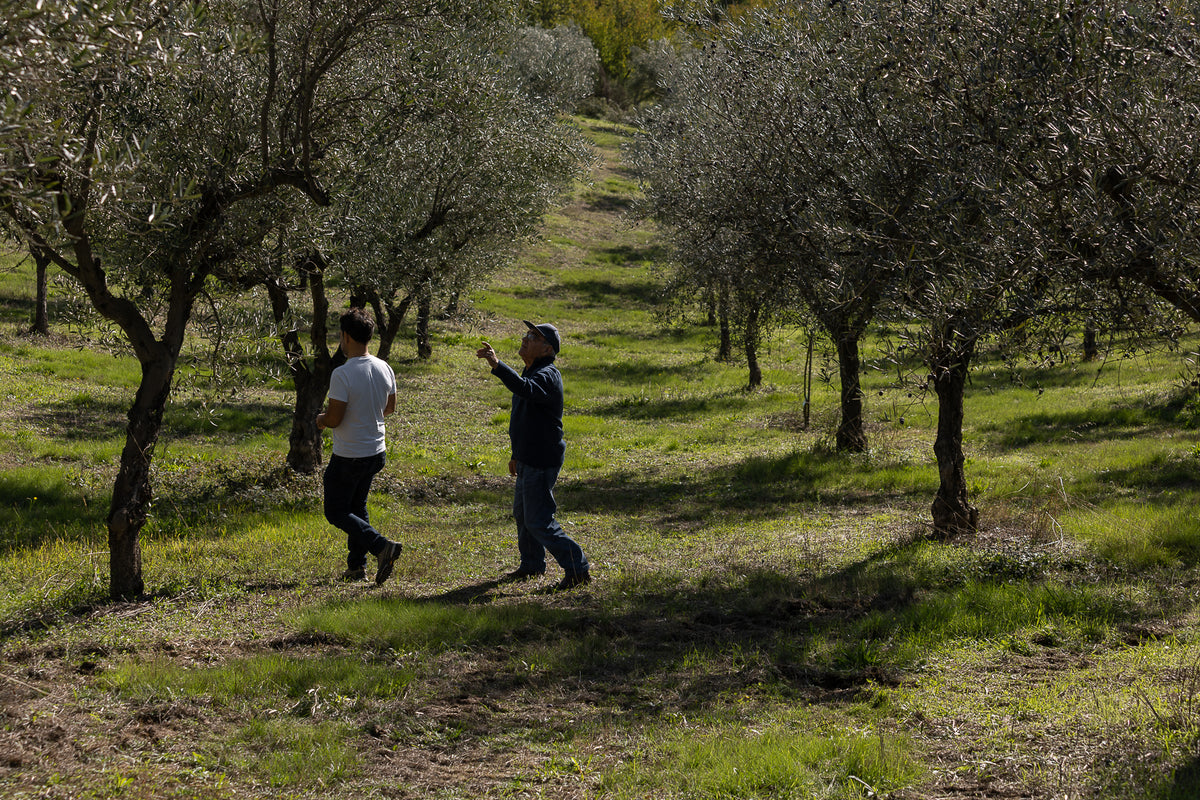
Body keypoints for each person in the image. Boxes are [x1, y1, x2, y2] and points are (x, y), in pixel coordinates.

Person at [476, 320, 590, 591]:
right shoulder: (531, 371)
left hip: (541, 459)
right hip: (529, 456)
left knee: (538, 520)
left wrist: (497, 365)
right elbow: (523, 420)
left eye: (533, 336)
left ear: (547, 349)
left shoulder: (547, 375)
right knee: (522, 513)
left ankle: (578, 567)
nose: (525, 339)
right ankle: (532, 564)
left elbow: (525, 390)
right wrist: (517, 454)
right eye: (526, 334)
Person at [317, 308, 403, 585]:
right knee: (357, 507)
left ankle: (381, 546)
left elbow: (334, 418)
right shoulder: (383, 367)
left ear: (345, 337)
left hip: (349, 455)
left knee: (336, 512)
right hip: (376, 451)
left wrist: (320, 420)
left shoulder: (342, 374)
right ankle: (356, 567)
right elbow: (389, 408)